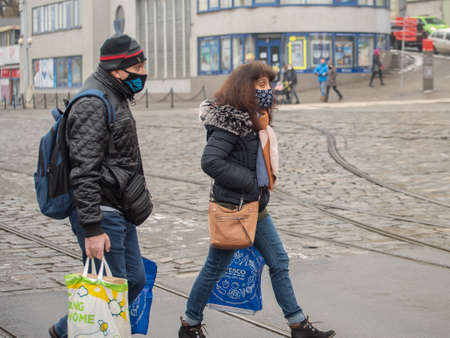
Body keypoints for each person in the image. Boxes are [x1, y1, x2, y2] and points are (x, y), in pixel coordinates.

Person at [178, 61, 336, 338]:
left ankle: (298, 324)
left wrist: (256, 189)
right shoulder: (231, 119)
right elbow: (211, 161)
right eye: (261, 85)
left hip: (254, 205)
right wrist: (251, 183)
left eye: (269, 84)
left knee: (279, 261)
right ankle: (190, 324)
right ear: (245, 87)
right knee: (216, 266)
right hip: (234, 206)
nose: (268, 89)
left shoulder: (255, 117)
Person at [49, 34, 153, 338]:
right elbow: (83, 171)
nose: (143, 72)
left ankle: (62, 330)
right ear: (119, 70)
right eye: (139, 66)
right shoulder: (94, 102)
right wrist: (93, 229)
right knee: (110, 294)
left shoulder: (114, 94)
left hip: (120, 208)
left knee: (134, 280)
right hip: (103, 214)